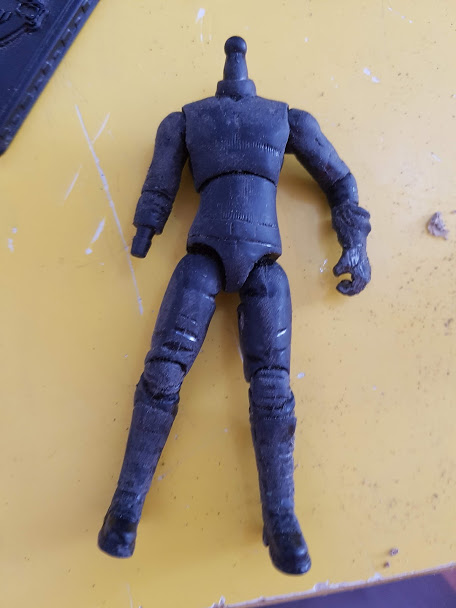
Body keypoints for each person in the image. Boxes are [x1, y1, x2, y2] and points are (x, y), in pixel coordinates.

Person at [98, 36, 371, 575]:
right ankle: (124, 507)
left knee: (272, 391)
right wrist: (146, 226)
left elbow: (339, 181)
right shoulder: (186, 121)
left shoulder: (286, 119)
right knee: (163, 375)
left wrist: (354, 240)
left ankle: (281, 516)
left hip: (261, 262)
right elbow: (160, 182)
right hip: (204, 255)